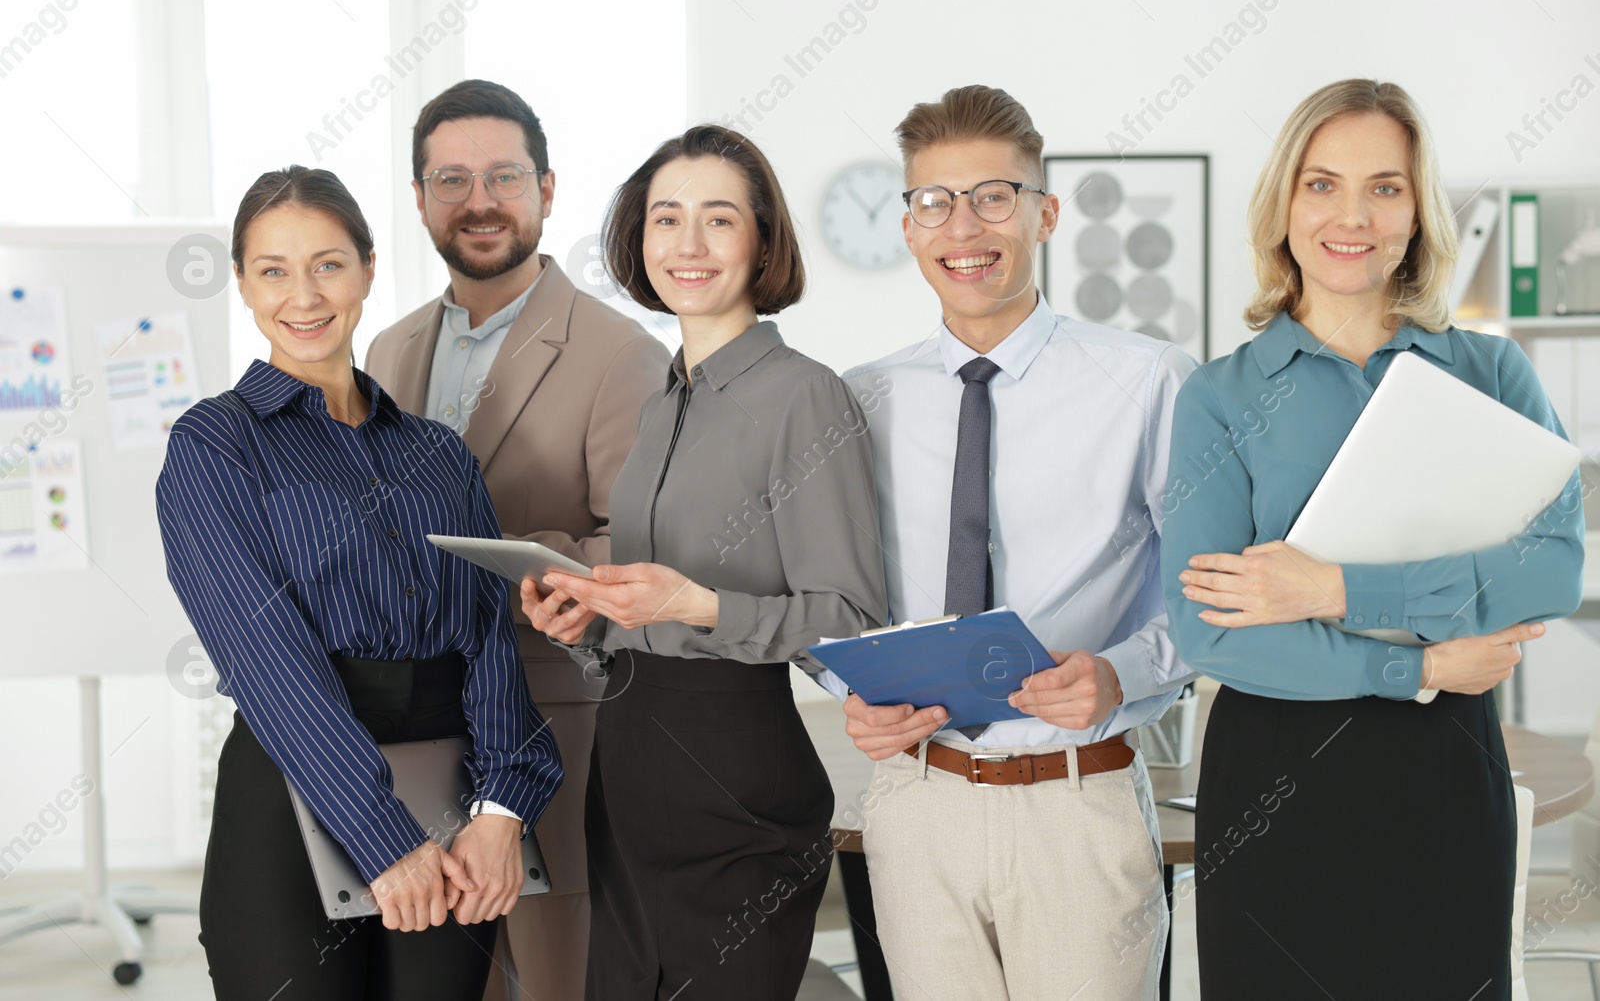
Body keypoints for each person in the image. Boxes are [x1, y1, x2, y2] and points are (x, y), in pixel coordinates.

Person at [1160, 79, 1587, 1000]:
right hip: (1276, 776)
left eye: (1385, 187)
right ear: (1283, 204)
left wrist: (1331, 590)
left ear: (1417, 210)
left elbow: (1553, 567)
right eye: (1323, 184)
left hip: (1443, 776)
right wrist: (1421, 665)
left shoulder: (1491, 369)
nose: (1352, 214)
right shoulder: (1221, 396)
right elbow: (1211, 632)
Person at [825, 84, 1197, 1001]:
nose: (965, 225)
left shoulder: (1150, 380)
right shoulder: (859, 399)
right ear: (908, 228)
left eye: (994, 195)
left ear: (1045, 213)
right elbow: (833, 594)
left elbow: (1209, 594)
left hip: (1079, 798)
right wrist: (848, 689)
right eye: (934, 201)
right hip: (916, 801)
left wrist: (1121, 672)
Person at [156, 165, 563, 1001]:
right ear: (241, 283)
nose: (302, 295)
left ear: (370, 269)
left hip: (452, 807)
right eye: (272, 269)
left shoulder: (439, 453)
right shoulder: (214, 446)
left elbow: (489, 639)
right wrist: (384, 837)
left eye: (328, 264)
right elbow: (269, 662)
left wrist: (500, 811)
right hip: (291, 794)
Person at [524, 123, 889, 1001]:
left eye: (718, 220)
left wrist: (700, 606)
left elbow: (851, 621)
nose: (687, 245)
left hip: (737, 777)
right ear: (637, 237)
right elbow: (656, 589)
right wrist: (590, 614)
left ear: (762, 240)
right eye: (666, 218)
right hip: (627, 762)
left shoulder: (805, 395)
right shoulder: (663, 396)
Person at [364, 79, 668, 1001]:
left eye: (503, 176)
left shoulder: (621, 353)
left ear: (545, 188)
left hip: (551, 732)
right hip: (405, 734)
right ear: (418, 199)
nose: (479, 200)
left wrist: (515, 561)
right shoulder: (385, 351)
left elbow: (646, 553)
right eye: (450, 180)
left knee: (551, 977)